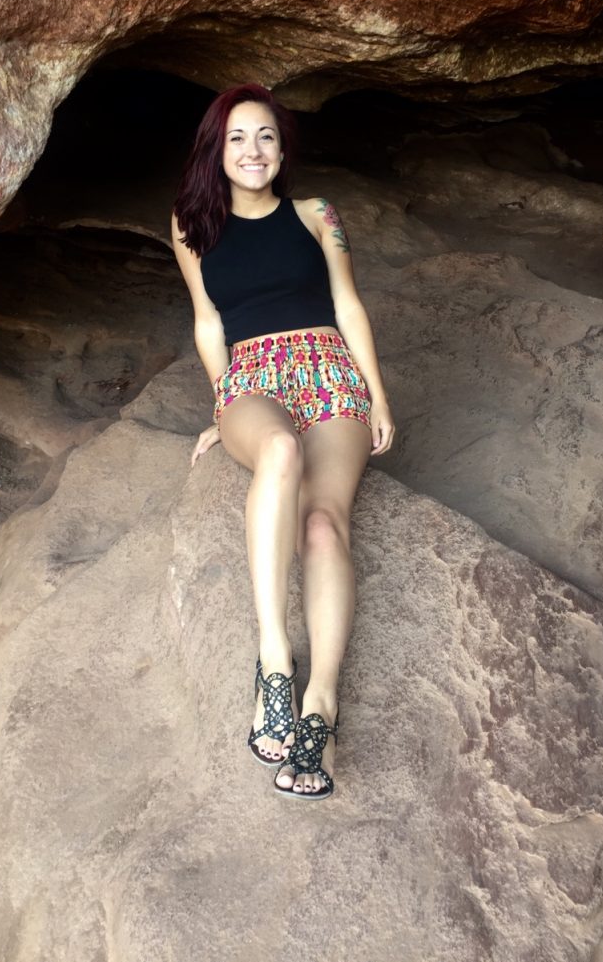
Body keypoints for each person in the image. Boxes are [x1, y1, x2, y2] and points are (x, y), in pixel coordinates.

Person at [171, 83, 394, 801]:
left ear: (282, 148)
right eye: (237, 138)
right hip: (252, 378)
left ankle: (319, 705)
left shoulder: (317, 214)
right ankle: (275, 659)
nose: (253, 150)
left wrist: (376, 393)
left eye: (265, 136)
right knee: (278, 451)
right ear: (216, 150)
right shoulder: (190, 225)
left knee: (323, 525)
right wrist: (223, 405)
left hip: (328, 370)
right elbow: (209, 322)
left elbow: (347, 304)